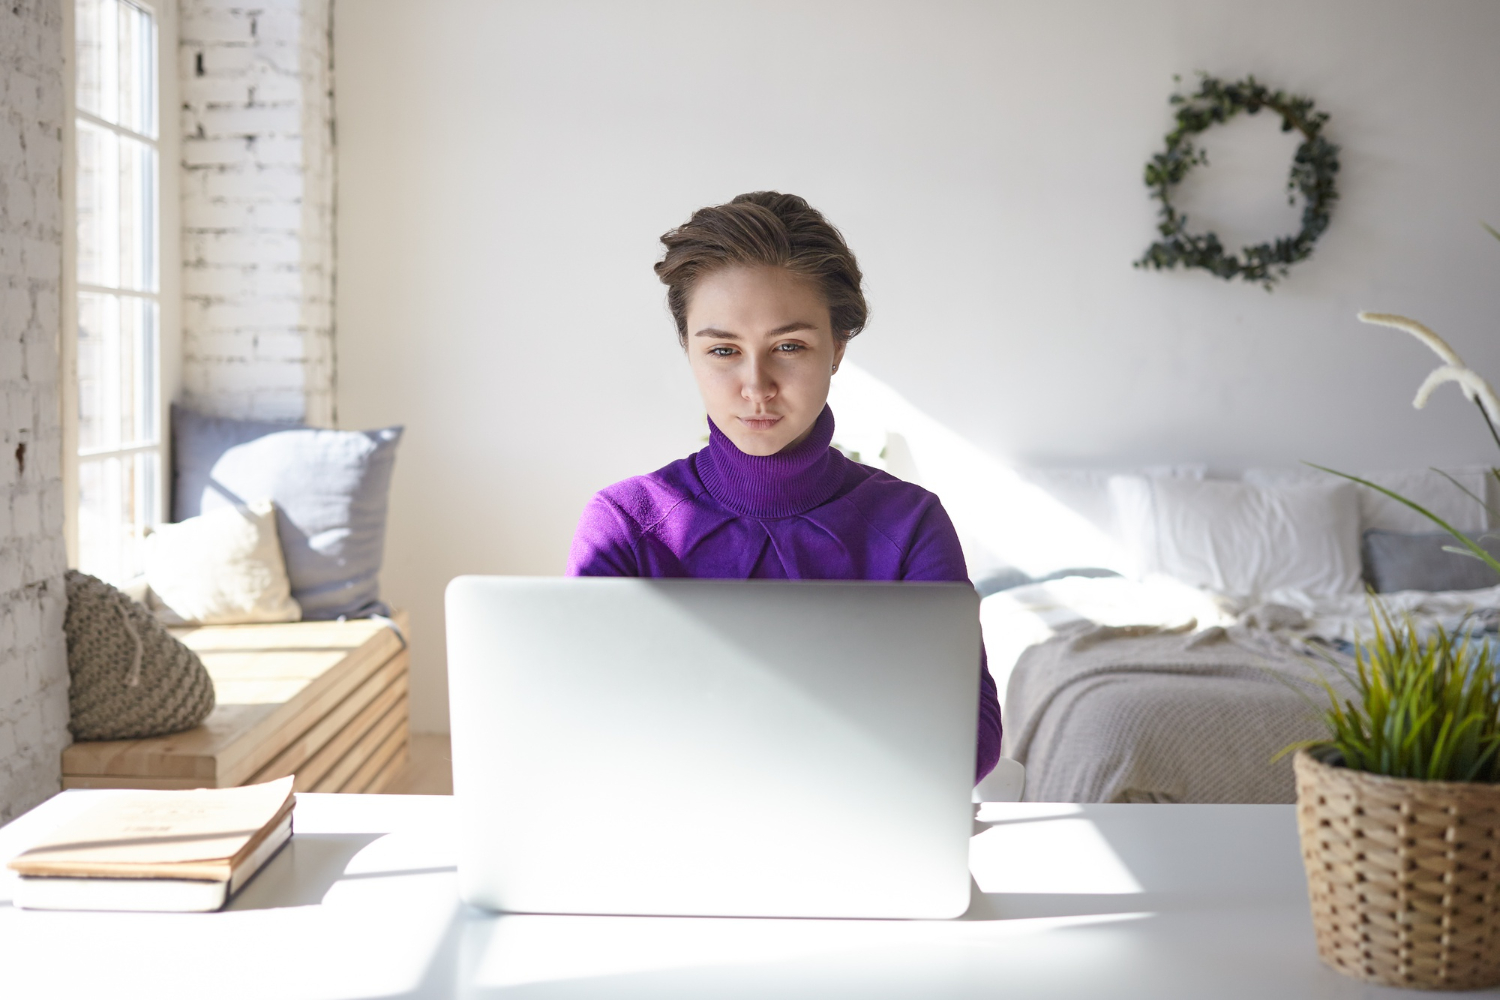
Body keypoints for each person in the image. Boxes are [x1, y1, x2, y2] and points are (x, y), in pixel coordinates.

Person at [567, 191, 1002, 782]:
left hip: (864, 835)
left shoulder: (909, 525)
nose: (756, 385)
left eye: (789, 347)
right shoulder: (624, 522)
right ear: (688, 352)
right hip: (667, 837)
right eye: (723, 350)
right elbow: (578, 723)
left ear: (838, 350)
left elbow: (969, 740)